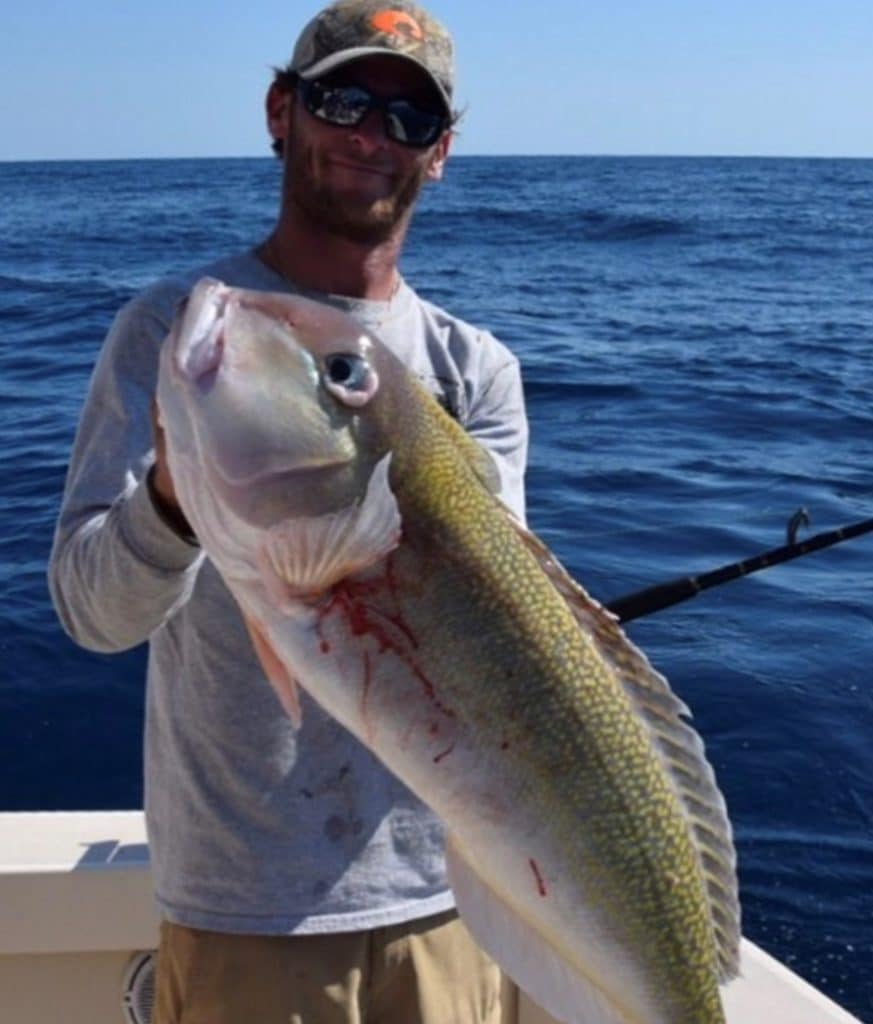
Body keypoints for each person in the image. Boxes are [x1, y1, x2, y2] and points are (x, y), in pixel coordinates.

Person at [48, 1, 528, 1021]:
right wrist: (174, 504)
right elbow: (95, 616)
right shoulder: (178, 334)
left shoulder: (473, 369)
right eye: (343, 99)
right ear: (282, 111)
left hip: (458, 903)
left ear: (440, 153)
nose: (370, 135)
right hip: (246, 915)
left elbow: (510, 629)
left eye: (408, 118)